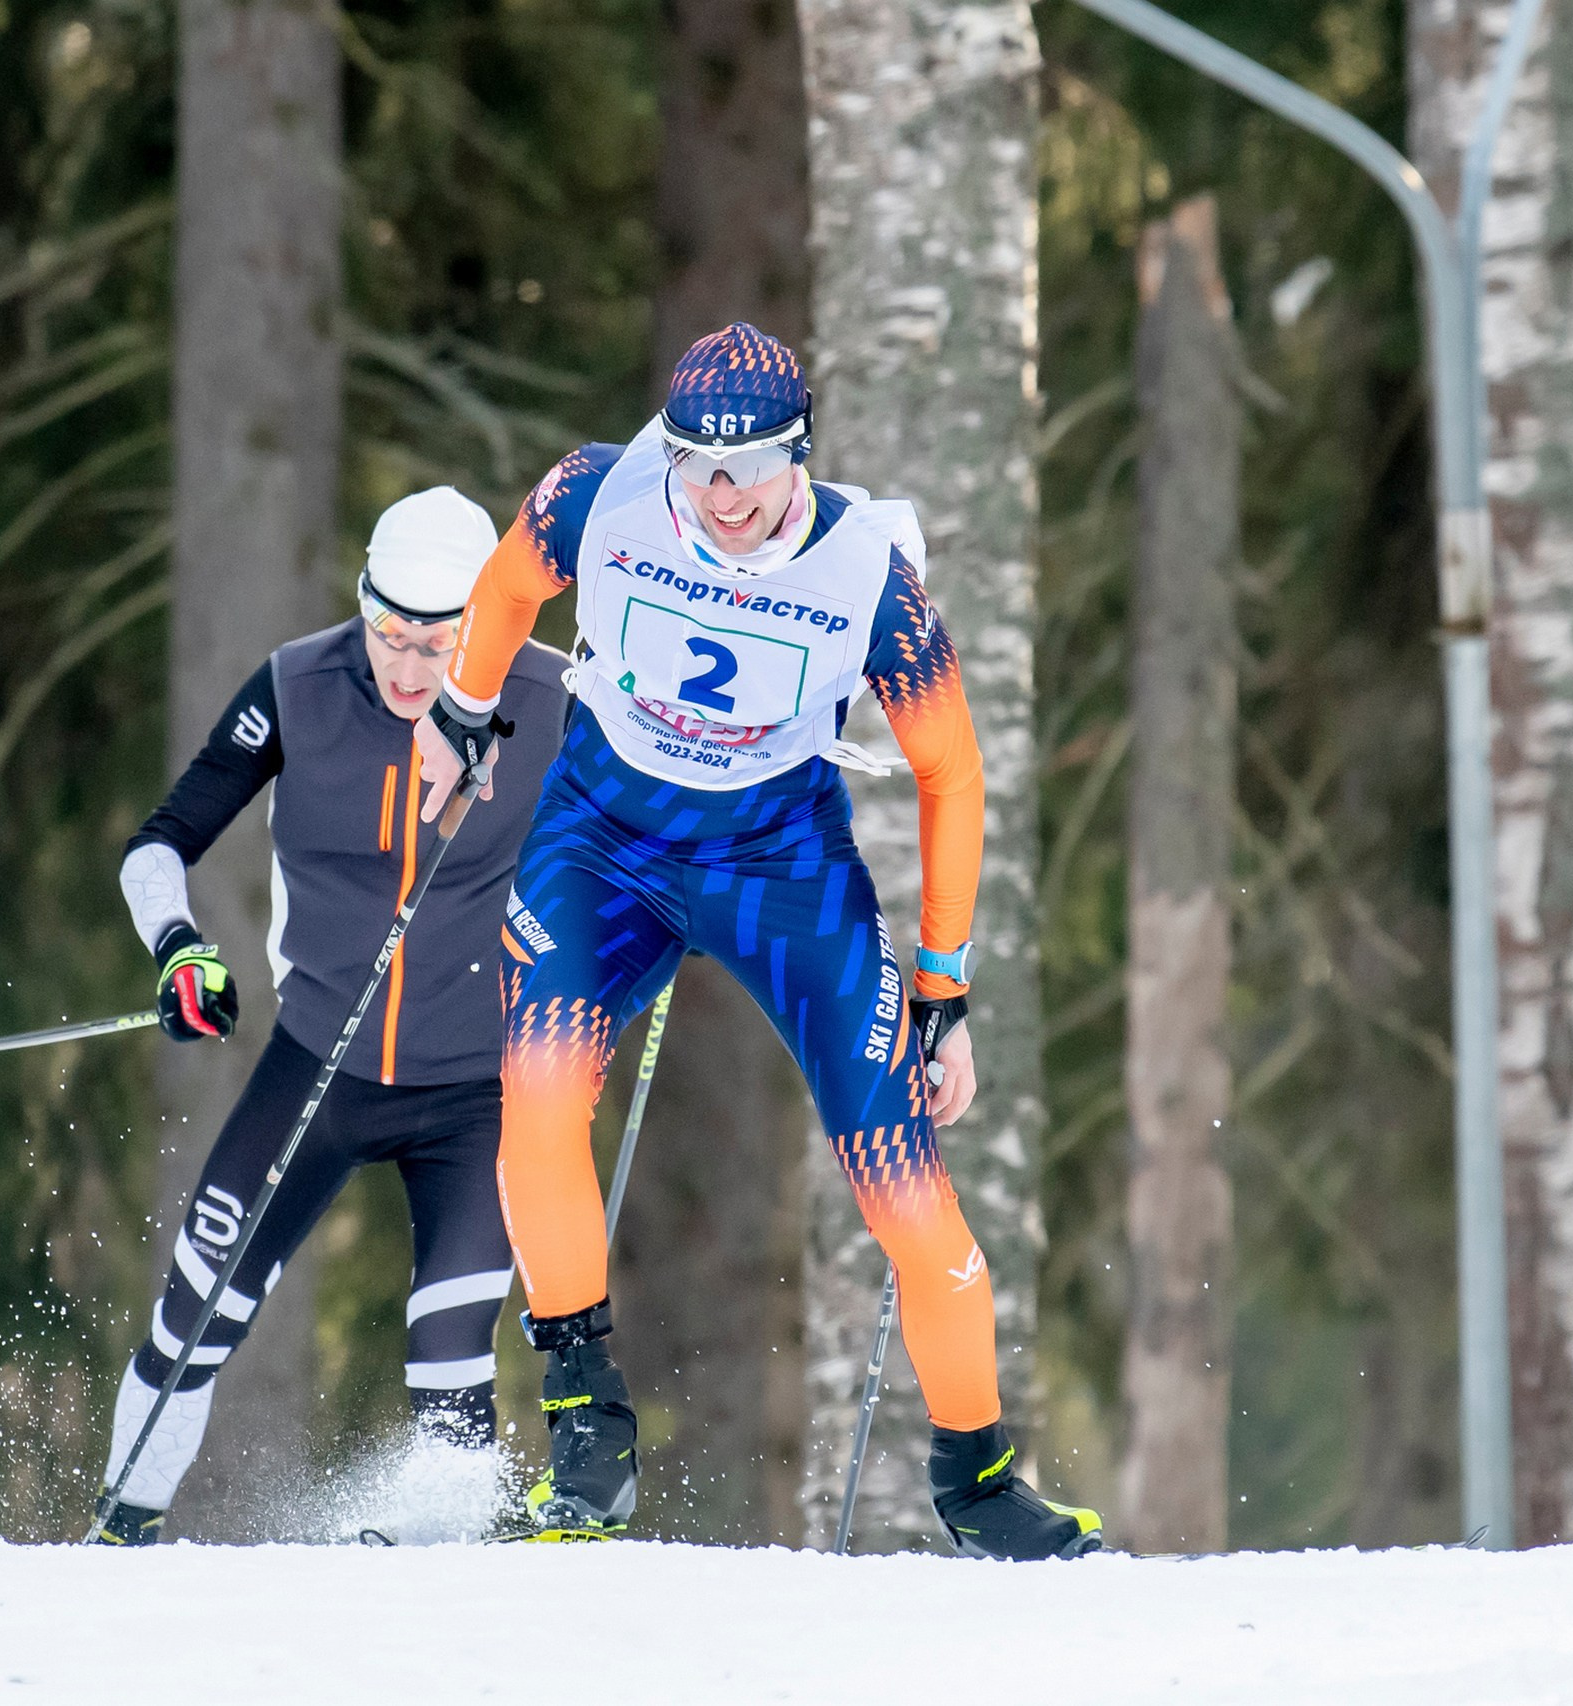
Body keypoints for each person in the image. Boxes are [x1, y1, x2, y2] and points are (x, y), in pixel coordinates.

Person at [413, 323, 1101, 1560]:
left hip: (780, 865)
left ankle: (979, 1478)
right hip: (606, 838)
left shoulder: (868, 576)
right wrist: (464, 708)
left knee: (901, 1179)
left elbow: (952, 774)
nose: (723, 498)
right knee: (537, 1093)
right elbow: (509, 587)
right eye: (698, 467)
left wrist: (942, 984)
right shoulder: (596, 494)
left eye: (752, 469)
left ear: (801, 456)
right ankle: (585, 1421)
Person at [93, 486, 570, 1544]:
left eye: (436, 643)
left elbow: (679, 811)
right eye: (387, 632)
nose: (405, 667)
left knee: (451, 1357)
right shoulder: (298, 684)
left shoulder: (551, 697)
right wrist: (179, 946)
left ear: (487, 622)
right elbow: (159, 842)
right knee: (192, 1318)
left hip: (477, 1094)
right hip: (316, 1069)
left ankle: (446, 1604)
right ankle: (118, 1535)